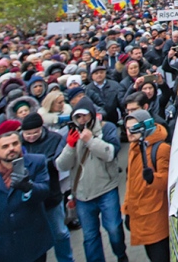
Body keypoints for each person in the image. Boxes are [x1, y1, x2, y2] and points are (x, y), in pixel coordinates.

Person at [56, 98, 127, 262]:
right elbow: (61, 165)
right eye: (78, 117)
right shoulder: (69, 134)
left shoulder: (106, 128)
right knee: (90, 236)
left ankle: (121, 255)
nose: (82, 120)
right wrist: (70, 146)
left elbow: (110, 154)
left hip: (106, 189)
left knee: (114, 228)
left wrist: (91, 141)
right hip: (83, 195)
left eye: (85, 116)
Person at [0, 131, 53, 262]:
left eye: (15, 144)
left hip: (33, 245)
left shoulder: (37, 162)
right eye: (5, 146)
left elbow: (45, 191)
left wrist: (29, 187)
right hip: (0, 251)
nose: (11, 148)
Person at [20, 113, 75, 262]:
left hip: (51, 194)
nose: (31, 136)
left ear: (41, 128)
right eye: (27, 134)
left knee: (59, 233)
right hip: (28, 200)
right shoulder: (17, 143)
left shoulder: (55, 139)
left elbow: (58, 162)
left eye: (35, 133)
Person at [122, 110, 170, 262]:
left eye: (133, 128)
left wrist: (152, 179)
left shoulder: (161, 149)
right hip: (141, 216)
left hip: (156, 217)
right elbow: (131, 183)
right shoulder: (134, 147)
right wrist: (127, 210)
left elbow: (167, 182)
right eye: (127, 128)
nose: (128, 133)